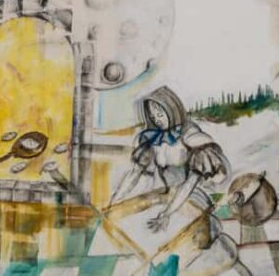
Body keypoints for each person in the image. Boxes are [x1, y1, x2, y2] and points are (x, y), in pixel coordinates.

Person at [108, 86, 251, 275]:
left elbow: (190, 183)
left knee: (200, 248)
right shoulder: (151, 139)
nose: (157, 118)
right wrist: (114, 202)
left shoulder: (191, 136)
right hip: (166, 198)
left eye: (160, 112)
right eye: (152, 114)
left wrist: (168, 213)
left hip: (191, 199)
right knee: (157, 246)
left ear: (172, 109)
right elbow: (135, 173)